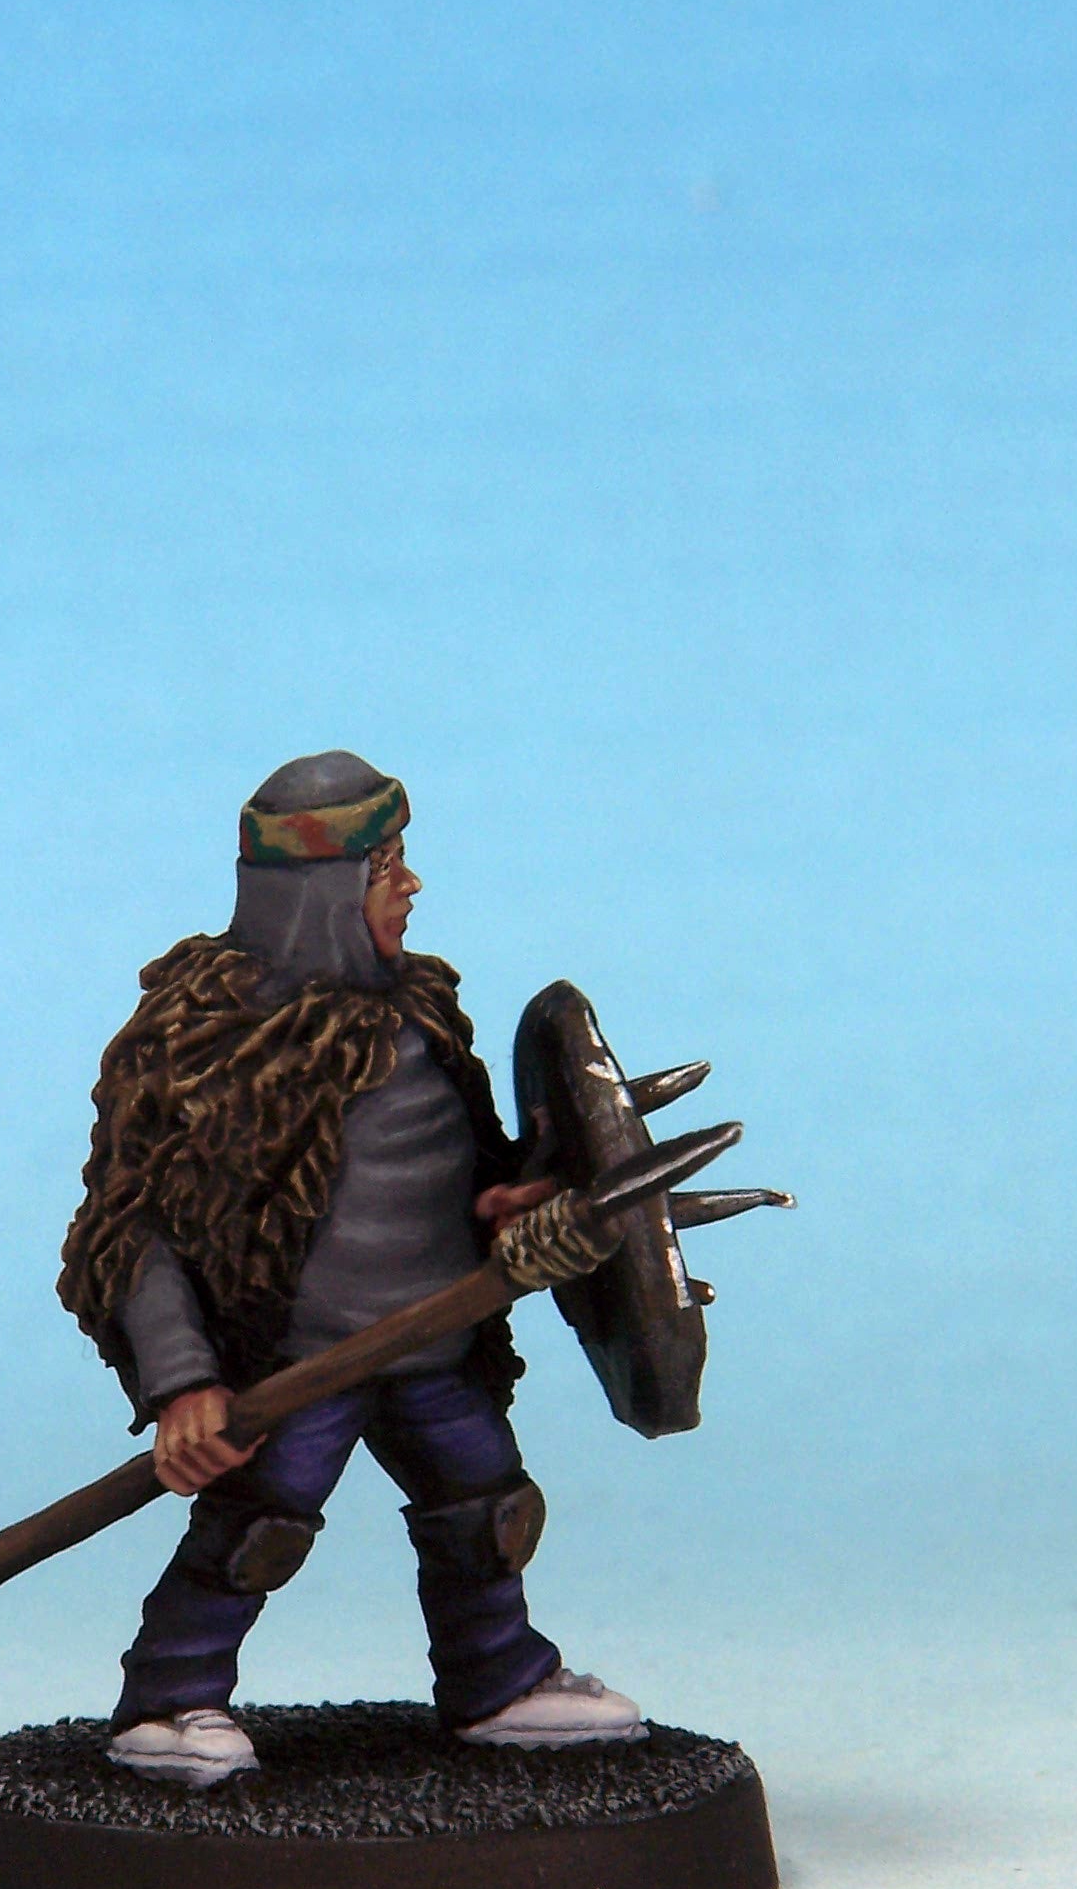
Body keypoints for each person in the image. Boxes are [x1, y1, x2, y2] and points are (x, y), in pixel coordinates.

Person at [57, 754, 645, 1785]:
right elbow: (133, 1226)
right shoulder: (204, 1037)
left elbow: (464, 1165)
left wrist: (514, 1199)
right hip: (298, 1361)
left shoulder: (420, 1014)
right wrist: (184, 1380)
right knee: (257, 1528)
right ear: (318, 891)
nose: (409, 886)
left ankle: (497, 1681)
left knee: (488, 1512)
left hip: (434, 1342)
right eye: (384, 867)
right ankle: (168, 1699)